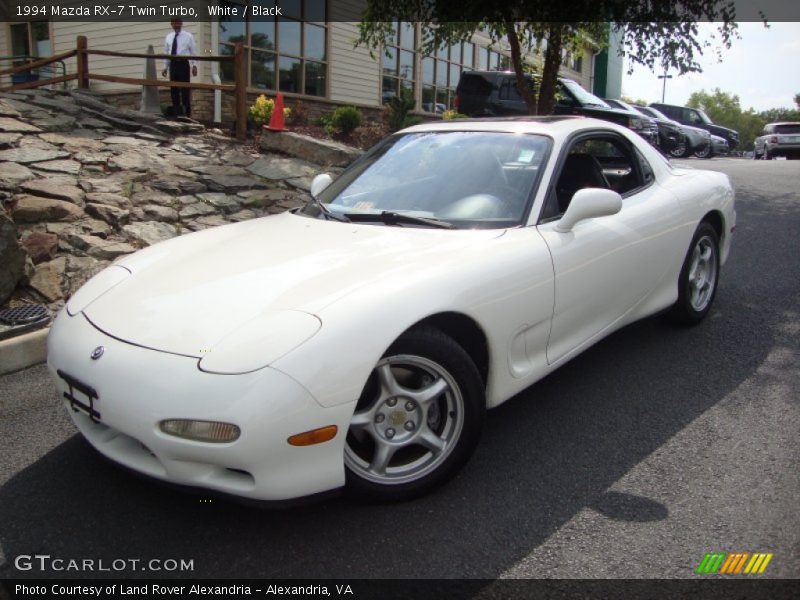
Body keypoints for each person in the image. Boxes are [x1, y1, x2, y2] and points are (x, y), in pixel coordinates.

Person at [161, 18, 197, 118]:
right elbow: (166, 52)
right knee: (174, 89)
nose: (176, 25)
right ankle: (177, 113)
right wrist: (165, 67)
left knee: (185, 89)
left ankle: (187, 114)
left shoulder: (188, 36)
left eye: (178, 23)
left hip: (183, 64)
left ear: (181, 23)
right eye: (174, 23)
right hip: (173, 64)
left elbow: (193, 52)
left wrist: (194, 65)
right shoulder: (169, 37)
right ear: (171, 24)